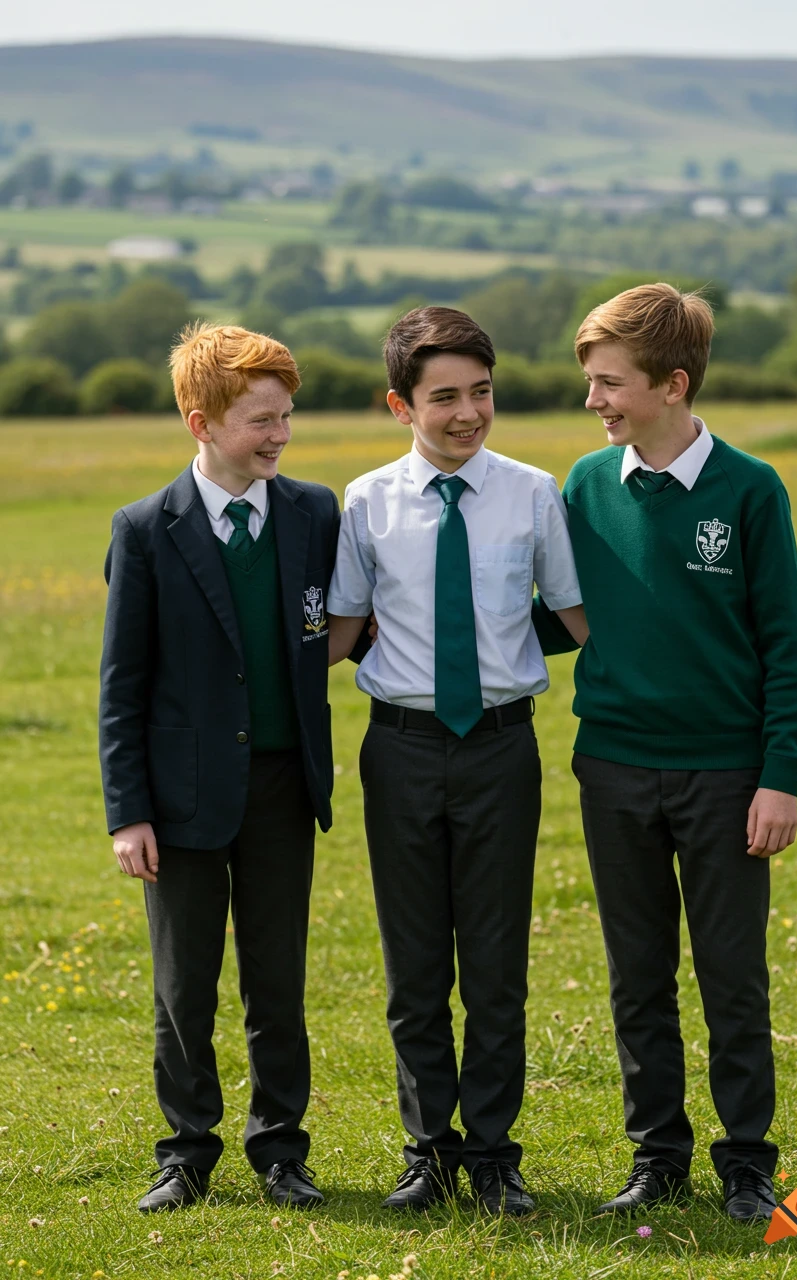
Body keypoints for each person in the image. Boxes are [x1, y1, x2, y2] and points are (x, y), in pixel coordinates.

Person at [534, 283, 797, 1223]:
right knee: (638, 974)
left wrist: (779, 778)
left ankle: (748, 1163)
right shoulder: (584, 485)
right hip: (613, 769)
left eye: (610, 383)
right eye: (591, 382)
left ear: (673, 384)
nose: (593, 401)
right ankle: (657, 1156)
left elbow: (786, 645)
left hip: (727, 777)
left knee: (732, 975)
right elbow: (562, 618)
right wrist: (435, 633)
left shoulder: (750, 488)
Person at [327, 306, 586, 1215]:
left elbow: (578, 615)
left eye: (481, 392)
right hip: (399, 750)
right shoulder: (364, 502)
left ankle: (495, 1156)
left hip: (502, 750)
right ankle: (427, 1151)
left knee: (495, 963)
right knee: (414, 968)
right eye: (443, 397)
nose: (467, 412)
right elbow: (343, 631)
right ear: (400, 405)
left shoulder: (534, 493)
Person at [99, 323, 339, 1213]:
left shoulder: (314, 512)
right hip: (180, 799)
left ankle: (281, 1150)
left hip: (282, 788)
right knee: (183, 986)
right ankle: (186, 1152)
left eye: (286, 416)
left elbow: (339, 622)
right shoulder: (144, 530)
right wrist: (129, 812)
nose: (280, 435)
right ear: (201, 424)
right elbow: (122, 685)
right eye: (260, 421)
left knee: (278, 981)